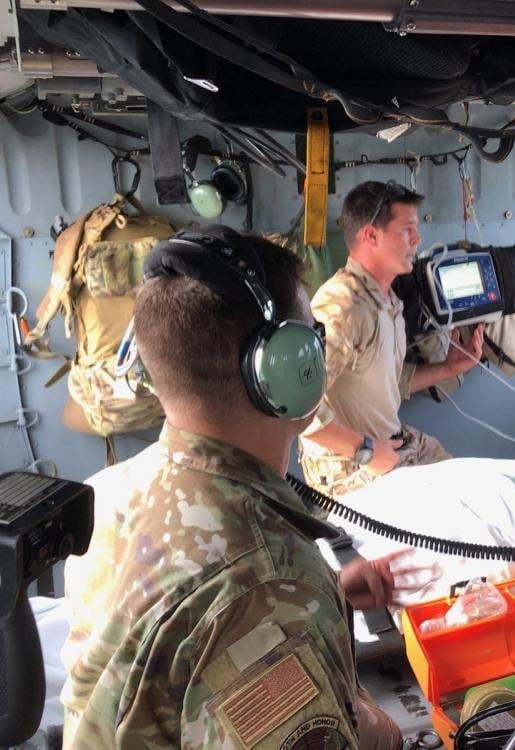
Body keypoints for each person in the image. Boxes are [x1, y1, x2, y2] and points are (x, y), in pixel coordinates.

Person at [60, 226, 413, 749]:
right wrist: (384, 731)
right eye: (310, 336)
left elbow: (172, 648)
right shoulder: (266, 581)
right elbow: (230, 602)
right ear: (291, 368)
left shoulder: (108, 493)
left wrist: (327, 600)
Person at [299, 180, 485, 496]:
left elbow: (389, 382)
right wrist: (365, 450)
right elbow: (299, 405)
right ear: (371, 235)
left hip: (387, 444)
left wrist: (451, 367)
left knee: (472, 492)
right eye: (406, 229)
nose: (417, 238)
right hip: (351, 468)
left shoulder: (388, 302)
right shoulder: (341, 307)